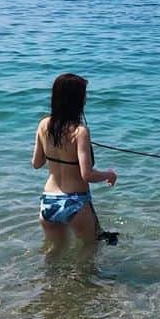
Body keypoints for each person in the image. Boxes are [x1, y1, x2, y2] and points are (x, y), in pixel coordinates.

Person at [32, 73, 117, 247]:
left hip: (48, 201)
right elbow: (87, 174)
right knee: (88, 254)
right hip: (75, 201)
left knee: (53, 253)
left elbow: (37, 163)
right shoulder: (80, 131)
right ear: (76, 100)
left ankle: (49, 275)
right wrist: (109, 174)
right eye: (84, 95)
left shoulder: (43, 125)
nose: (86, 99)